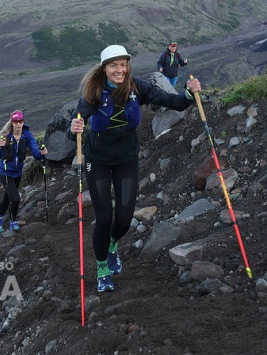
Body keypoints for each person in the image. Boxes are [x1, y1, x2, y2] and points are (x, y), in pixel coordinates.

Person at [69, 44, 202, 293]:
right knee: (104, 218)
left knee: (123, 219)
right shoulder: (94, 91)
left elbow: (173, 102)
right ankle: (102, 270)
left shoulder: (137, 87)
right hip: (97, 160)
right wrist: (73, 127)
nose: (119, 70)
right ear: (104, 68)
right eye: (113, 66)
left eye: (123, 65)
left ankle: (112, 245)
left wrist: (187, 93)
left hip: (126, 159)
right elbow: (77, 120)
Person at [0, 110, 46, 232]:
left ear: (23, 122)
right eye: (15, 121)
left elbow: (35, 152)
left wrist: (42, 153)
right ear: (12, 122)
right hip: (5, 172)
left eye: (20, 121)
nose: (18, 124)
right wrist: (0, 146)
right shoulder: (5, 136)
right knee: (15, 198)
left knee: (8, 196)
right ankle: (12, 221)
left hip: (18, 172)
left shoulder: (27, 135)